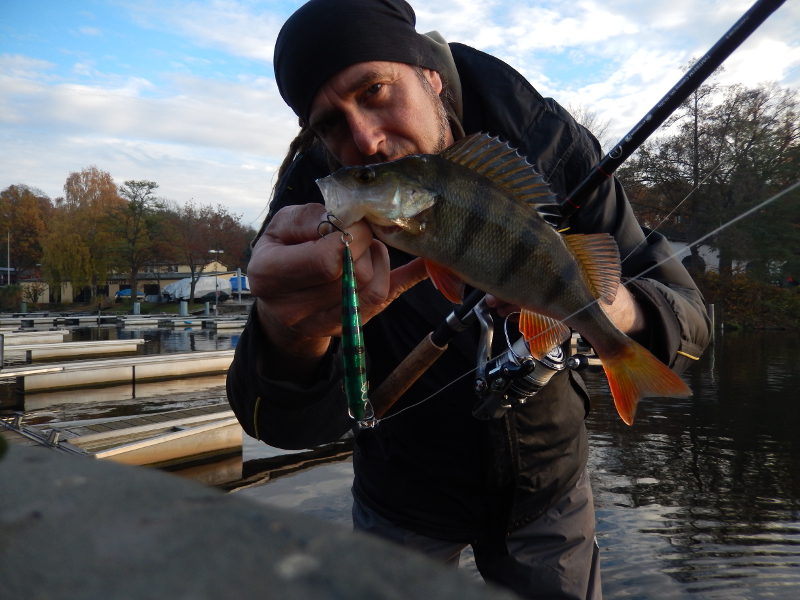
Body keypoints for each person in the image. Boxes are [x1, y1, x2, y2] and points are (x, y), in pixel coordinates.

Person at [227, 1, 712, 598]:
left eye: (376, 91)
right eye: (329, 123)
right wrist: (290, 333)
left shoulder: (551, 146)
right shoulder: (316, 205)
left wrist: (603, 309)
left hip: (549, 491)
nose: (366, 140)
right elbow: (280, 423)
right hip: (400, 503)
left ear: (430, 76)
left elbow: (690, 316)